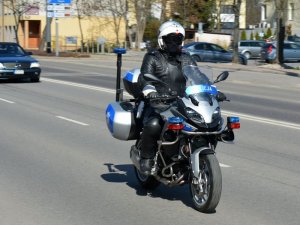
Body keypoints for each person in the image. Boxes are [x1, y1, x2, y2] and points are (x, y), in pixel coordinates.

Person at [138, 21, 197, 175]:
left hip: (182, 103)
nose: (173, 43)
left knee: (203, 124)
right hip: (158, 103)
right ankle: (146, 158)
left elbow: (197, 75)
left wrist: (211, 90)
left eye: (177, 39)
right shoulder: (153, 57)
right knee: (154, 124)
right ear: (162, 40)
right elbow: (144, 78)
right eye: (170, 39)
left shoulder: (186, 58)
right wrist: (150, 91)